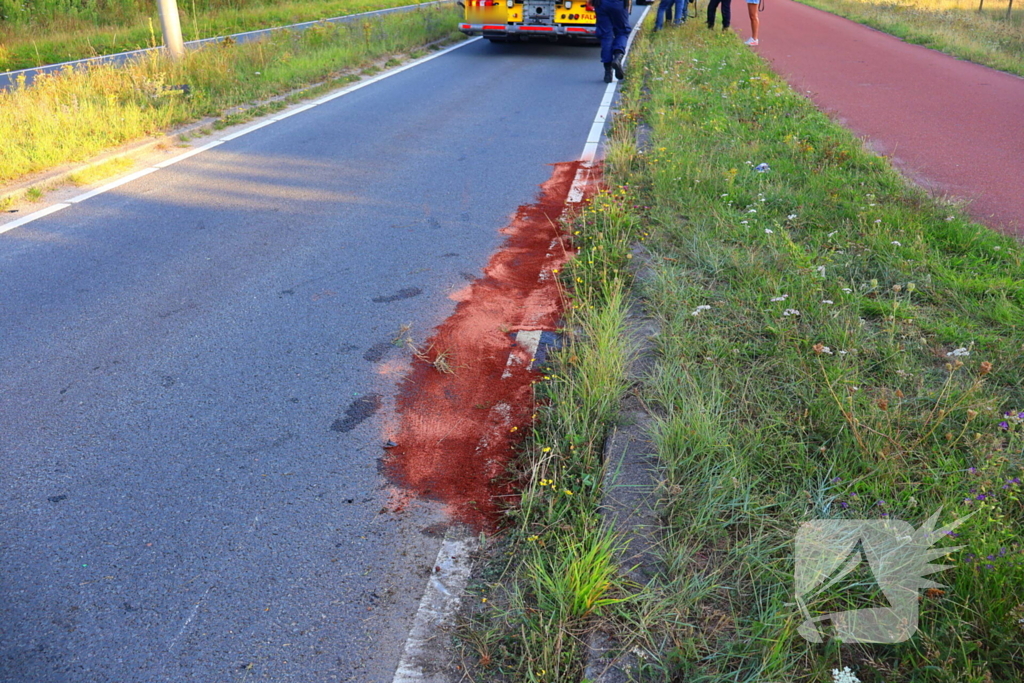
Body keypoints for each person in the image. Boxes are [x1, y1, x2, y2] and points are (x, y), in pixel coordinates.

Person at [594, 0, 631, 83]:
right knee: (622, 31)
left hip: (602, 4)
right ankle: (618, 57)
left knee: (606, 35)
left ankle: (608, 72)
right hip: (619, 4)